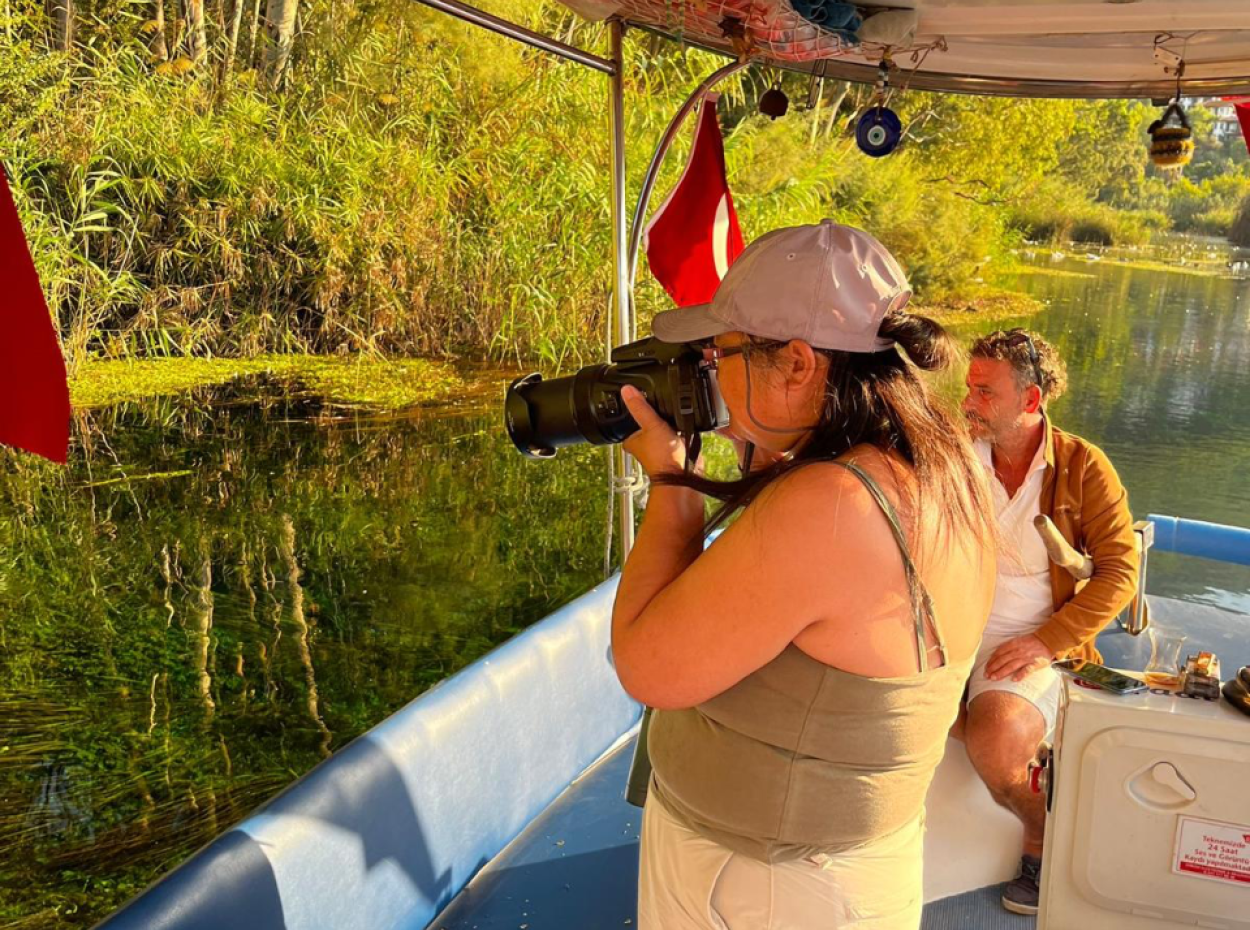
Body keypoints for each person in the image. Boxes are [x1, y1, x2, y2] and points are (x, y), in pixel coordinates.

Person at [611, 219, 997, 930]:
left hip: (762, 888)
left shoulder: (832, 505)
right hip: (838, 874)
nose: (706, 372)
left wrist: (672, 480)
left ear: (796, 363)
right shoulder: (940, 467)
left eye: (719, 352)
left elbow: (645, 667)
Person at [958, 329, 1139, 915]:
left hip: (1032, 642)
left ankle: (1041, 839)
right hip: (944, 631)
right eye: (968, 388)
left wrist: (1044, 642)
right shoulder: (953, 452)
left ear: (1031, 401)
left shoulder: (1086, 467)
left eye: (985, 392)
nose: (968, 402)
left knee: (998, 737)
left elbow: (1118, 573)